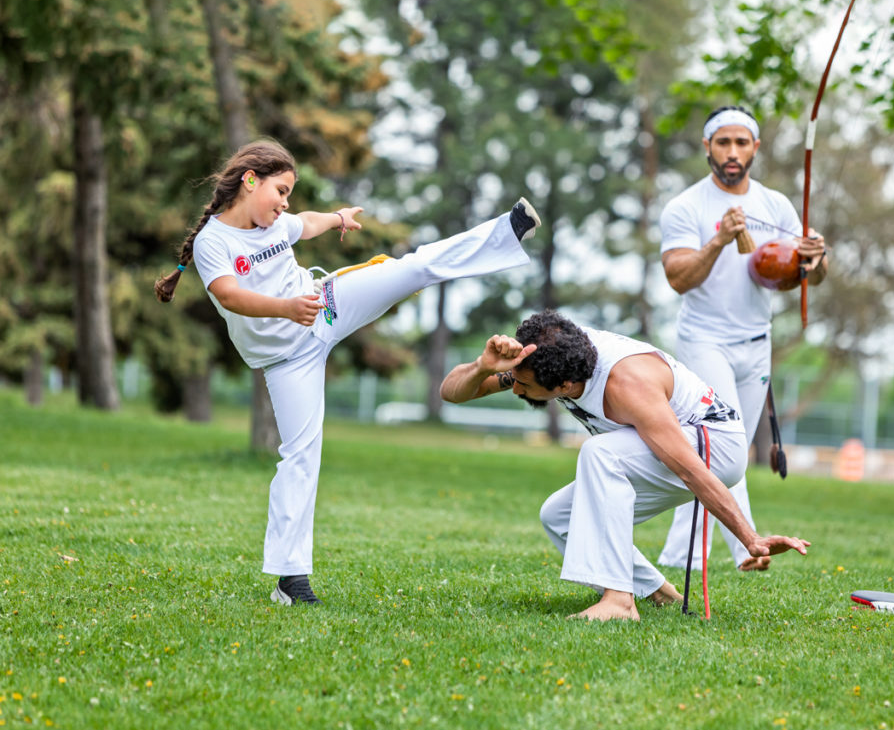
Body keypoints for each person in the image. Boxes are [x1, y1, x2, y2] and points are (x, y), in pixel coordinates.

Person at [155, 139, 540, 606]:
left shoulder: (278, 223)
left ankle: (505, 232)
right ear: (249, 181)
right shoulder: (216, 240)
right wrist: (285, 308)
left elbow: (308, 224)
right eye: (280, 191)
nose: (284, 204)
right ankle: (290, 582)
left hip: (325, 307)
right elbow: (230, 295)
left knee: (413, 268)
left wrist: (338, 218)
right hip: (286, 359)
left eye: (289, 194)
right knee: (300, 457)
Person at [440, 309, 810, 621]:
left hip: (717, 446)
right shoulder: (541, 359)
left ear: (565, 385)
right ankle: (658, 591)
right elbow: (452, 392)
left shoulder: (627, 384)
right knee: (559, 515)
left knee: (600, 453)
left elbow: (690, 469)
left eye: (522, 385)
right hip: (686, 448)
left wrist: (750, 539)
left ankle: (619, 601)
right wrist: (480, 366)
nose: (516, 390)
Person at [657, 105, 828, 573]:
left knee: (725, 451)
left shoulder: (775, 205)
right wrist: (718, 241)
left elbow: (808, 272)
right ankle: (721, 551)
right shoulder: (686, 207)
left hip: (757, 344)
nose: (732, 152)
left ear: (755, 147)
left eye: (741, 142)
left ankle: (712, 553)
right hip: (703, 340)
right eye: (722, 142)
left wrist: (815, 255)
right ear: (708, 147)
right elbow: (677, 279)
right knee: (721, 442)